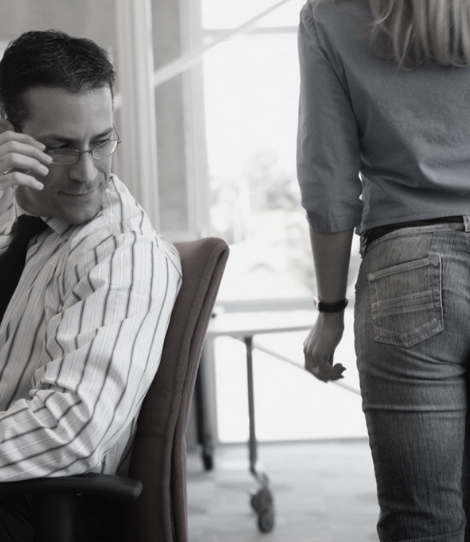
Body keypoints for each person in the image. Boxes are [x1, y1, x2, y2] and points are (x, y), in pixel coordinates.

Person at [297, 0, 470, 540]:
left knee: (422, 522)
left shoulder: (329, 14)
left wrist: (330, 311)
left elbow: (328, 177)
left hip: (407, 267)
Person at [0, 30, 182, 541]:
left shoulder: (122, 253)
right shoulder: (17, 224)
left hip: (35, 510)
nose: (86, 172)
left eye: (101, 143)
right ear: (8, 134)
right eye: (60, 147)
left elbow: (71, 428)